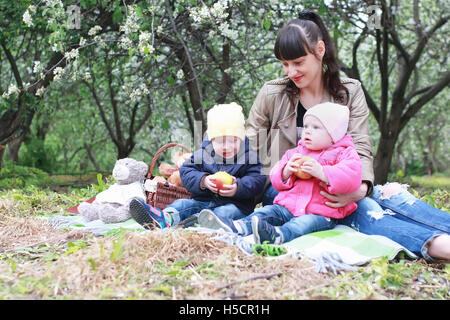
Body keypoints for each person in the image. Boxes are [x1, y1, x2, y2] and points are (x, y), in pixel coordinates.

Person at [205, 10, 450, 260]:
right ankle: (438, 246)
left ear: (319, 50)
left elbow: (361, 146)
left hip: (337, 180)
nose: (291, 72)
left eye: (298, 63)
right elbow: (246, 148)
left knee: (387, 196)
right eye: (285, 64)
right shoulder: (272, 94)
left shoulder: (349, 92)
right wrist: (207, 169)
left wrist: (361, 187)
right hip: (286, 189)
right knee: (365, 210)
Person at [198, 102, 362, 245]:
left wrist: (323, 172)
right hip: (288, 206)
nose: (308, 131)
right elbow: (275, 176)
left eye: (316, 127)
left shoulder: (345, 153)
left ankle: (278, 236)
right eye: (306, 127)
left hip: (320, 213)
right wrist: (285, 171)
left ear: (334, 134)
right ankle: (237, 226)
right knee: (266, 212)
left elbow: (352, 178)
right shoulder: (297, 152)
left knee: (302, 224)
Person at [129, 102, 266, 229]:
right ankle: (164, 218)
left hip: (235, 205)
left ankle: (201, 223)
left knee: (226, 212)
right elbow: (186, 171)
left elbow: (258, 179)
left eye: (233, 141)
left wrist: (238, 187)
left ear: (241, 139)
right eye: (220, 142)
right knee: (183, 204)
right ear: (211, 140)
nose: (227, 147)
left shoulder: (249, 156)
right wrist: (203, 180)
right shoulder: (203, 154)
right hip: (203, 202)